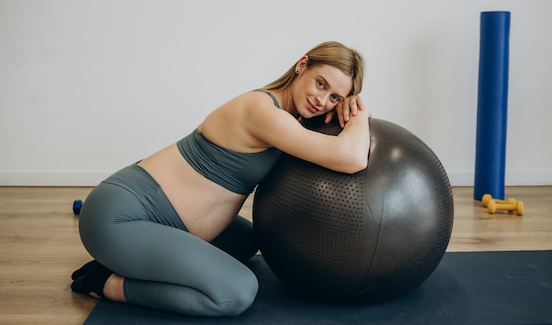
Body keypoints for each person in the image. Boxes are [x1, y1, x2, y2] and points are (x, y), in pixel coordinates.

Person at [71, 41, 371, 317]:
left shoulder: (290, 120)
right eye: (321, 83)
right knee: (236, 292)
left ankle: (138, 259)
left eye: (335, 97)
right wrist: (359, 115)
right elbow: (352, 158)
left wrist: (344, 110)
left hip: (164, 218)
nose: (322, 100)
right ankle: (105, 281)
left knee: (248, 241)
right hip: (121, 217)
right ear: (302, 65)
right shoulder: (263, 111)